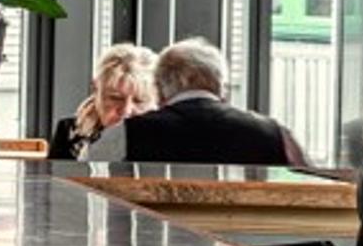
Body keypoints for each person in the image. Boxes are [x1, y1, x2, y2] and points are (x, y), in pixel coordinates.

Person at [111, 37, 310, 168]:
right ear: (223, 89)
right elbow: (314, 189)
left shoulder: (127, 133)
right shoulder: (276, 134)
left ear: (159, 90)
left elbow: (85, 184)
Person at [50, 41, 157, 160]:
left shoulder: (168, 141)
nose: (126, 111)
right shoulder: (70, 132)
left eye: (140, 101)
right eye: (115, 98)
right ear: (96, 90)